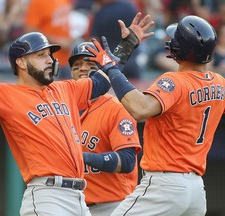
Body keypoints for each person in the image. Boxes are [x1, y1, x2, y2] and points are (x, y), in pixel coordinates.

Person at [0, 22, 113, 215]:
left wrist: (124, 50)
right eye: (41, 55)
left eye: (49, 55)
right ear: (21, 62)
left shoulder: (66, 88)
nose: (49, 60)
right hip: (48, 196)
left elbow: (101, 82)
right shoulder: (8, 95)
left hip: (79, 197)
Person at [85, 12, 225, 216]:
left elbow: (140, 109)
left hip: (165, 185)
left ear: (179, 49)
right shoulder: (220, 83)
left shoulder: (176, 81)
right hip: (196, 189)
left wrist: (112, 69)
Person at [68, 42, 142, 216]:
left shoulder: (116, 108)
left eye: (90, 65)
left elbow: (126, 160)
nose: (82, 69)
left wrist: (82, 157)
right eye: (76, 66)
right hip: (75, 204)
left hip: (114, 205)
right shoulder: (65, 111)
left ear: (102, 70)